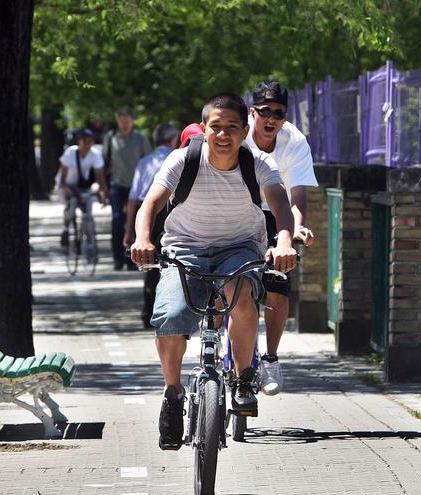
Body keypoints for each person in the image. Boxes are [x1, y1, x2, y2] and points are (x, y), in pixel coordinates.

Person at [129, 93, 297, 451]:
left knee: (241, 293)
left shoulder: (259, 163)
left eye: (232, 128)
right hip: (185, 248)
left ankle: (243, 379)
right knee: (171, 315)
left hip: (239, 248)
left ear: (245, 129)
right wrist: (144, 237)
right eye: (216, 127)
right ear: (204, 129)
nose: (223, 135)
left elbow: (281, 206)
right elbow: (151, 204)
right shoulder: (182, 160)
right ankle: (173, 395)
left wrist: (283, 242)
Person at [244, 81, 318, 396]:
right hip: (239, 213)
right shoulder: (239, 137)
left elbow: (298, 192)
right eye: (265, 112)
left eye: (279, 113)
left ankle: (270, 359)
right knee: (231, 285)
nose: (271, 119)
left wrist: (297, 228)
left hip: (279, 215)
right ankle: (222, 350)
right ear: (252, 113)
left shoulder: (295, 141)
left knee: (278, 284)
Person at [124, 123, 180, 328]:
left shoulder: (144, 162)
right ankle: (169, 311)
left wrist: (130, 230)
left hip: (144, 214)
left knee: (149, 264)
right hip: (169, 214)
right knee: (173, 263)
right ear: (173, 140)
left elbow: (132, 198)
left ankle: (148, 312)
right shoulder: (177, 160)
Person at [103, 106, 152, 271]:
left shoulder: (140, 138)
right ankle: (117, 258)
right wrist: (103, 187)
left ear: (132, 121)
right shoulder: (110, 138)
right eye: (121, 120)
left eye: (127, 121)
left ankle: (132, 259)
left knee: (135, 222)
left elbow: (148, 163)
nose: (124, 124)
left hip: (136, 187)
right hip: (117, 185)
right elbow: (105, 162)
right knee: (117, 220)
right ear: (118, 121)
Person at [58, 128, 110, 246]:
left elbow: (100, 175)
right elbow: (63, 175)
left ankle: (87, 235)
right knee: (70, 207)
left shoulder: (95, 154)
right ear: (79, 141)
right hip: (68, 183)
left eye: (90, 141)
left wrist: (103, 190)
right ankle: (65, 229)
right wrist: (65, 188)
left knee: (88, 208)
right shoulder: (70, 153)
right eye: (85, 141)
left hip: (82, 185)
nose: (87, 144)